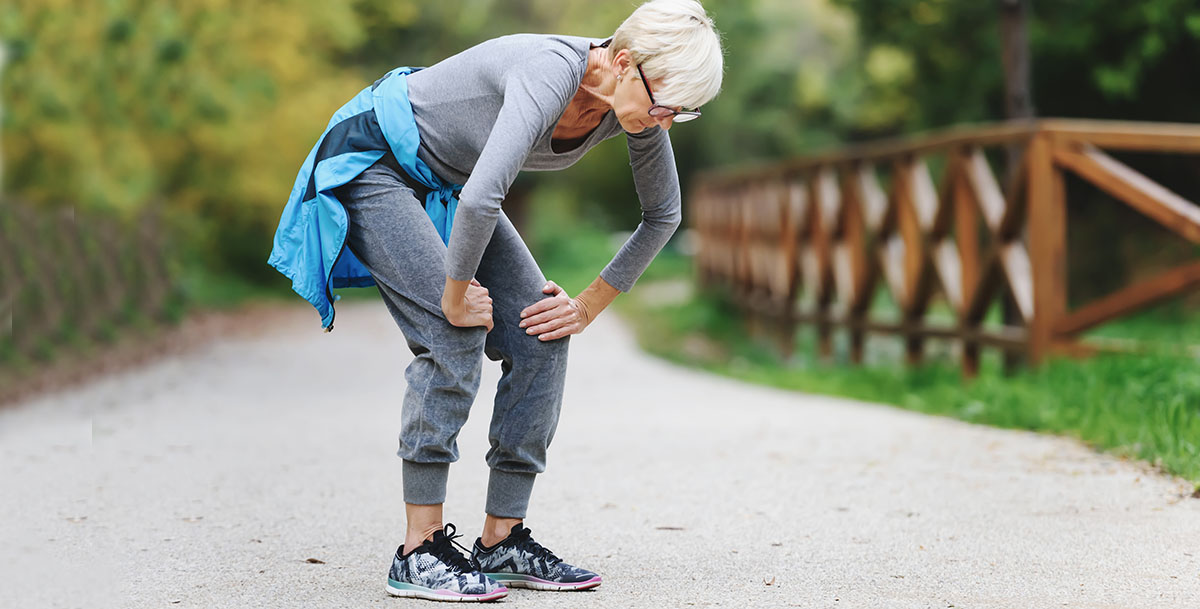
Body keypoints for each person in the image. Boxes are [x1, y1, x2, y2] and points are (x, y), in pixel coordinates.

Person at [267, 0, 723, 601]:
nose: (664, 123)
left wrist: (584, 308)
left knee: (543, 332)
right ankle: (418, 550)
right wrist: (454, 297)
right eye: (664, 105)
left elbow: (664, 215)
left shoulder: (630, 109)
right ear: (620, 60)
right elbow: (484, 198)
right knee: (451, 333)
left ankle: (501, 539)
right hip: (376, 162)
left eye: (681, 115)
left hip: (448, 182)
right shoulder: (547, 71)